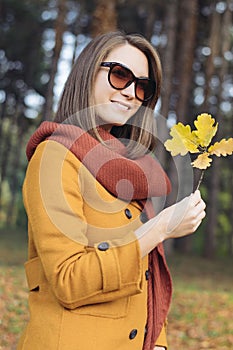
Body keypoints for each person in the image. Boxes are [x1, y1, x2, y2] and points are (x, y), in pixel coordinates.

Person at [18, 31, 206, 350]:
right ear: (88, 73)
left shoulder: (131, 168)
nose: (132, 92)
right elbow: (69, 281)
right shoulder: (54, 158)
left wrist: (157, 341)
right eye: (120, 75)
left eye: (143, 86)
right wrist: (159, 228)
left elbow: (146, 275)